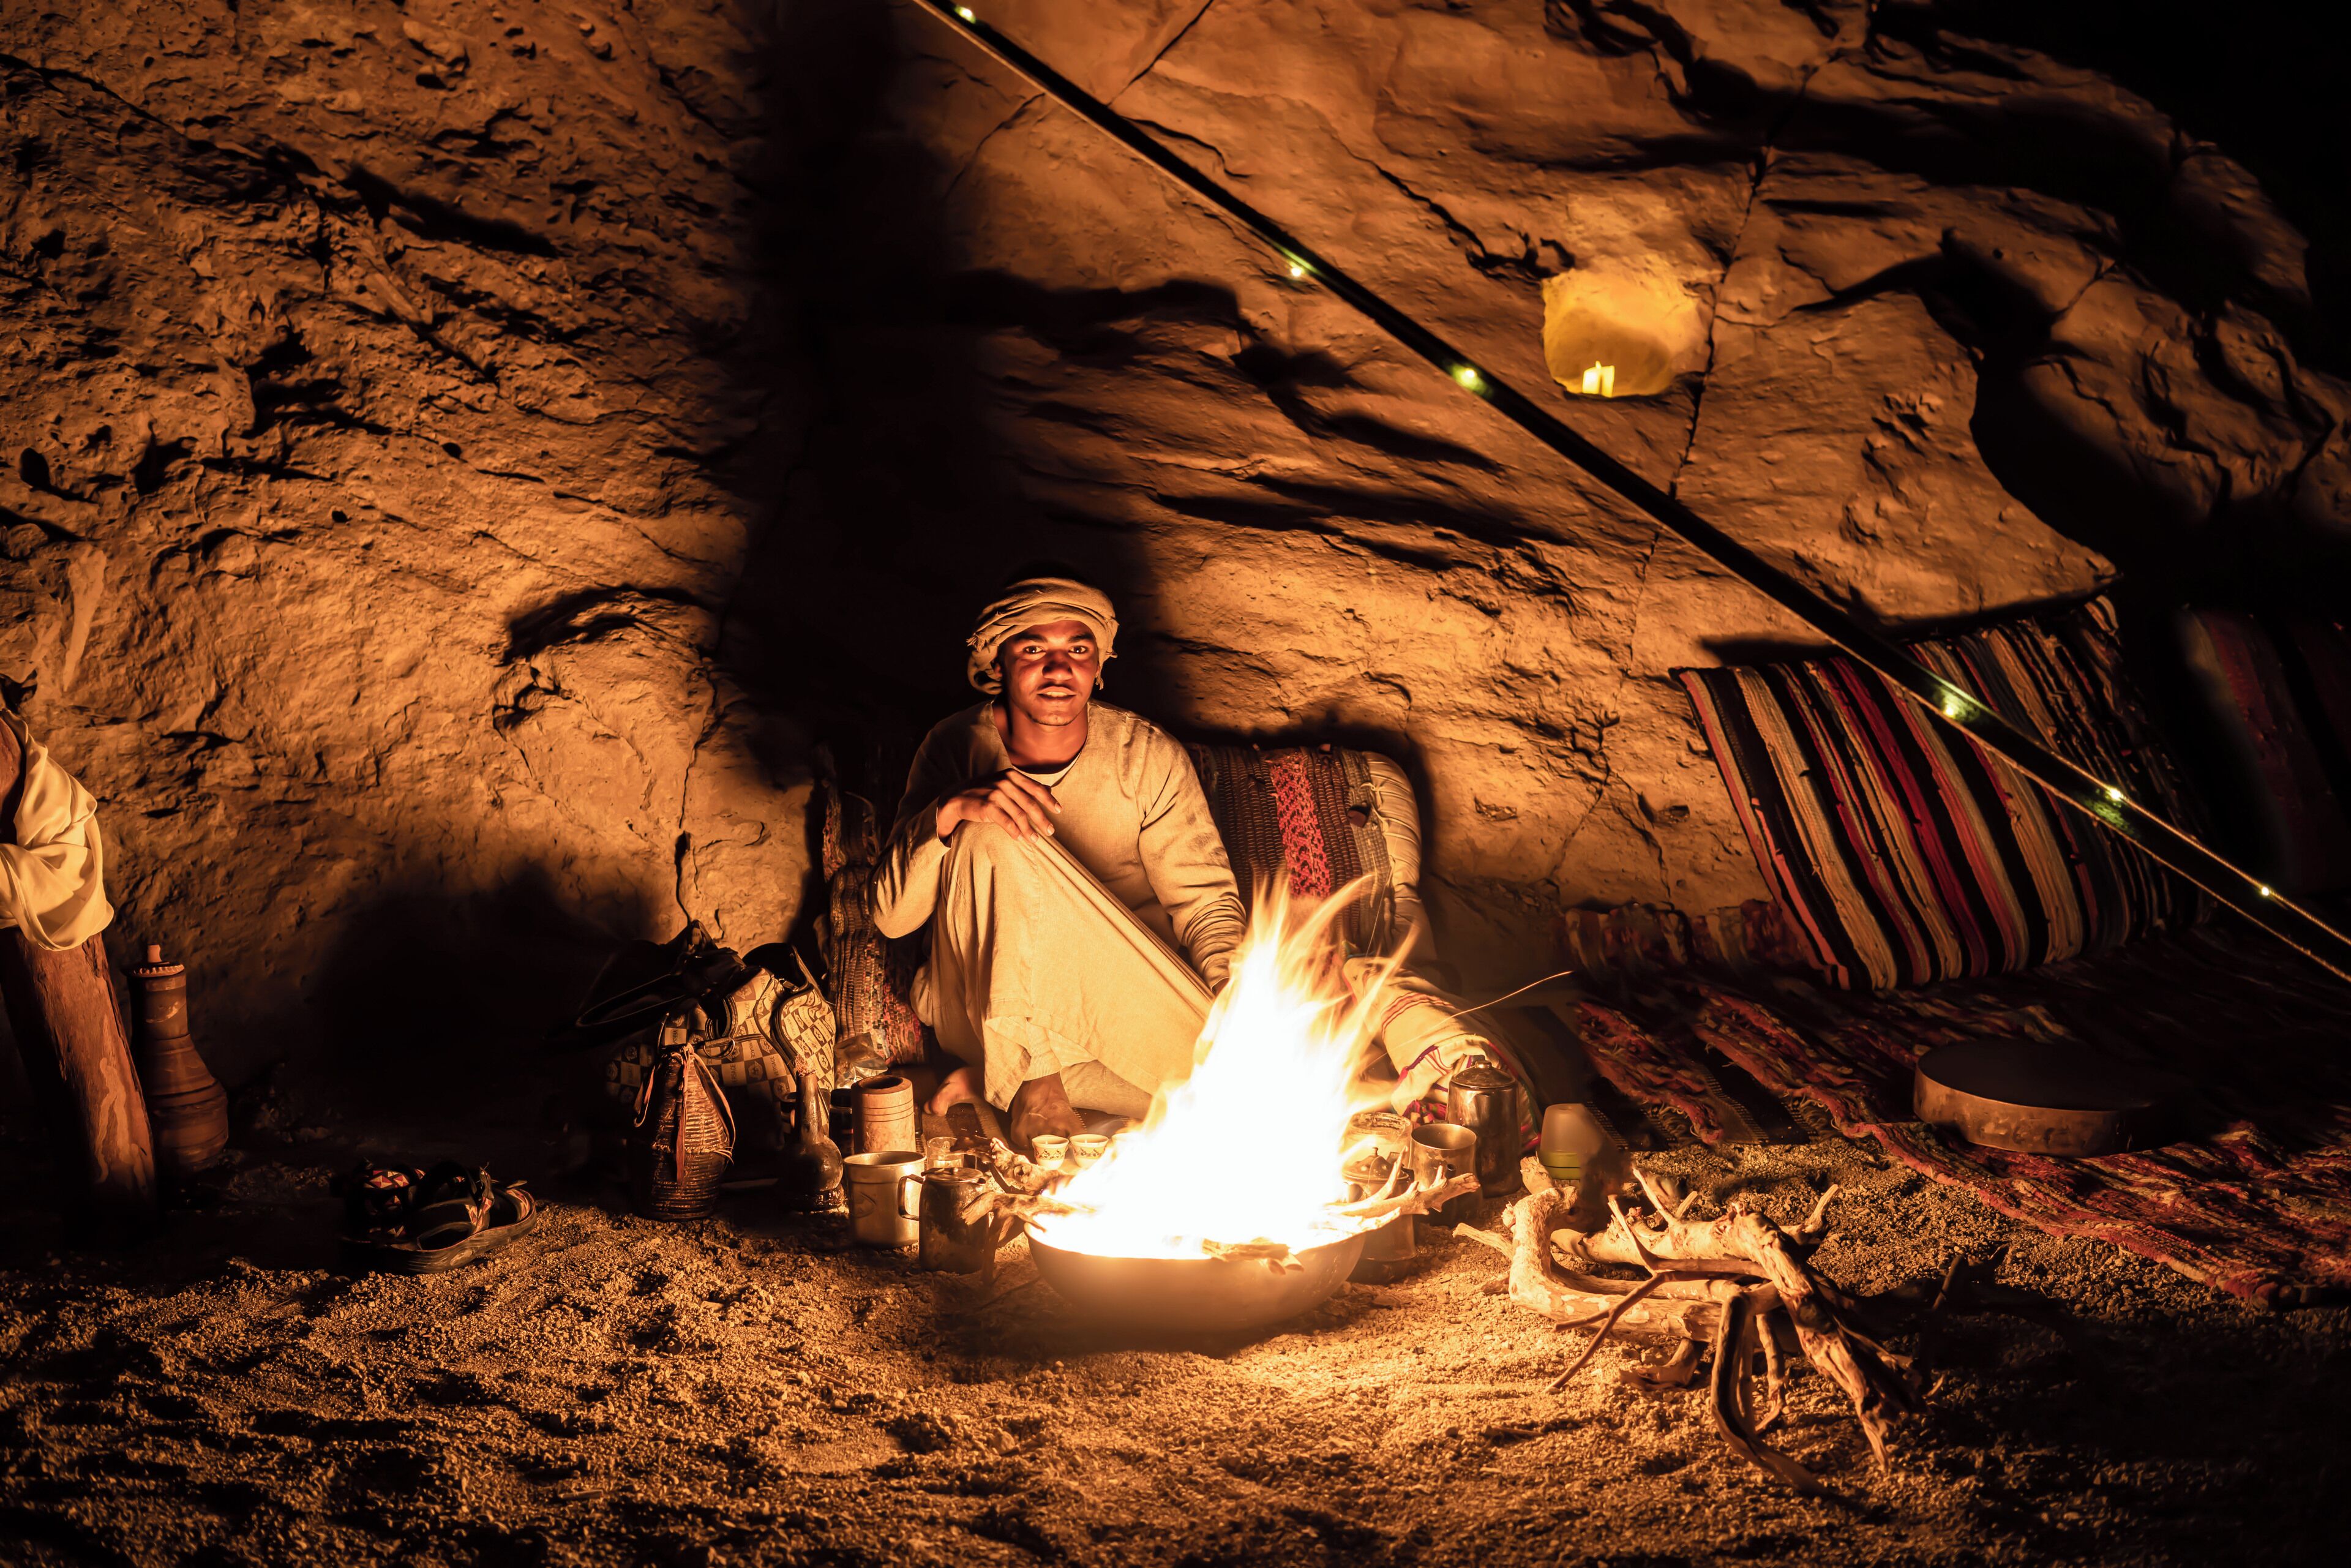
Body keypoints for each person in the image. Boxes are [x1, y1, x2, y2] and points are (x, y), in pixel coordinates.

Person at [868, 574, 1245, 1152]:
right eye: (1034, 649)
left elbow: (1206, 906)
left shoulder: (1146, 757)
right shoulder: (952, 746)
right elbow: (892, 918)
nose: (1059, 668)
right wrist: (951, 810)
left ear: (1097, 667)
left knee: (1249, 1092)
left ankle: (1002, 1081)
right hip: (983, 1004)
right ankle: (1037, 1083)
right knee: (992, 830)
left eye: (1078, 649)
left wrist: (1240, 1013)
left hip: (1115, 1003)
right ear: (998, 664)